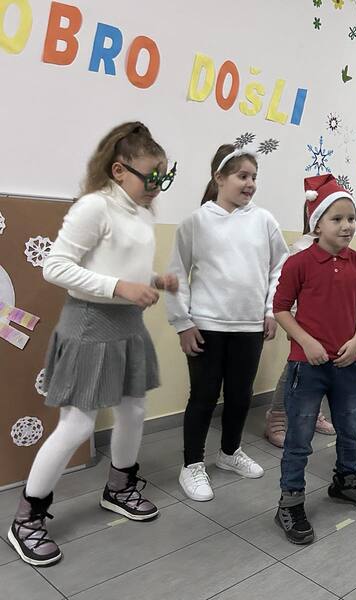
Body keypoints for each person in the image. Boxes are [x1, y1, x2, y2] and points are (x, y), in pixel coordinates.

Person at [8, 122, 177, 566]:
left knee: (133, 411)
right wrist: (121, 286)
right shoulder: (94, 207)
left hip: (127, 327)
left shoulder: (139, 213)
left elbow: (119, 267)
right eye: (150, 177)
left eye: (163, 178)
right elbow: (55, 267)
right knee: (77, 425)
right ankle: (26, 518)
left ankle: (119, 487)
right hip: (89, 327)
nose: (156, 187)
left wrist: (154, 279)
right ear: (119, 170)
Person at [166, 143, 290, 501]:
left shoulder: (264, 221)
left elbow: (280, 267)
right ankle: (192, 464)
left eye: (254, 177)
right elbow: (177, 274)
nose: (250, 183)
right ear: (219, 178)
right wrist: (182, 323)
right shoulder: (195, 222)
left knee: (240, 395)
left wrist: (270, 310)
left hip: (249, 327)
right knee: (203, 396)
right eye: (242, 176)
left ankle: (230, 452)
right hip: (205, 327)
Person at [273, 174, 356, 545]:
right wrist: (306, 341)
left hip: (347, 364)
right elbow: (281, 308)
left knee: (351, 429)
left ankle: (347, 481)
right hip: (307, 366)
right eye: (337, 219)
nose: (347, 225)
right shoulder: (299, 263)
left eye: (351, 218)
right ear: (317, 223)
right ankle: (290, 502)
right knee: (299, 437)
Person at [264, 202, 337, 448]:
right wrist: (294, 325)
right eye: (334, 216)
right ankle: (276, 416)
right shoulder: (300, 249)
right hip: (303, 326)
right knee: (293, 371)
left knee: (321, 371)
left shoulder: (336, 249)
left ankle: (314, 412)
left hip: (328, 326)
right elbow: (288, 290)